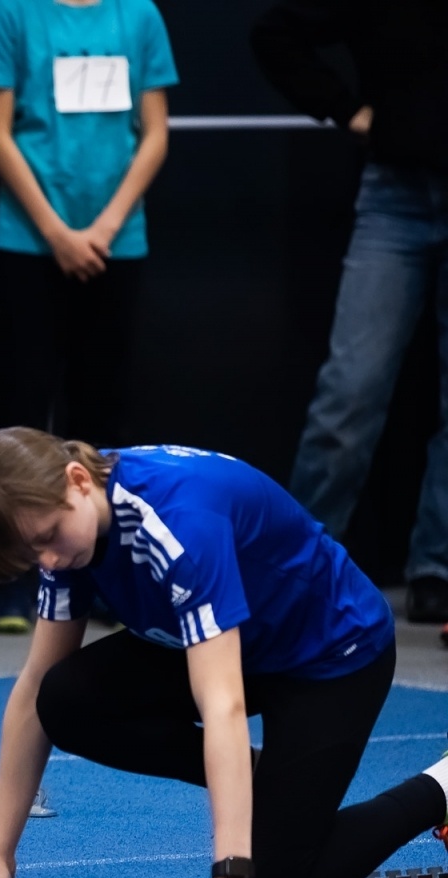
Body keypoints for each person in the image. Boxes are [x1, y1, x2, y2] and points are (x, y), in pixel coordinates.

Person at [0, 428, 448, 878]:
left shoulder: (176, 524)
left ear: (78, 482)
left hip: (331, 653)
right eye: (34, 552)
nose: (51, 561)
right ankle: (264, 785)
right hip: (230, 642)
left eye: (51, 537)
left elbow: (220, 703)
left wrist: (233, 875)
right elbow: (34, 688)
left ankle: (441, 786)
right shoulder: (68, 539)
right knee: (63, 699)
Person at [0, 0, 177, 633]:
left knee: (105, 410)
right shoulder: (13, 12)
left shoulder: (138, 14)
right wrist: (58, 231)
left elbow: (156, 131)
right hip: (31, 241)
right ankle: (14, 581)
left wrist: (107, 224)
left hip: (117, 242)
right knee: (21, 406)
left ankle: (108, 577)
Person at [251, 1, 448, 625]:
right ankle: (293, 567)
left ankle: (436, 569)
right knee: (350, 390)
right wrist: (348, 109)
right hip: (395, 194)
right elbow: (275, 33)